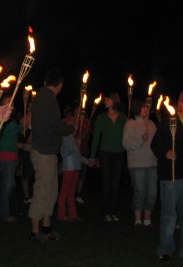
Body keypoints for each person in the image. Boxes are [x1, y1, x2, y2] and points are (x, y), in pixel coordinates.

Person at [151, 88, 183, 262]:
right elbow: (155, 145)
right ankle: (165, 250)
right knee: (169, 216)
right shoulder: (168, 122)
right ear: (182, 104)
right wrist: (166, 153)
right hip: (170, 177)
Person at [28, 68, 74, 243]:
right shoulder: (48, 100)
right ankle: (35, 231)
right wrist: (71, 128)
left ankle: (46, 227)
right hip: (44, 152)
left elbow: (49, 124)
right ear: (60, 85)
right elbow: (55, 126)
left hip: (47, 151)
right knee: (43, 190)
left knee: (51, 190)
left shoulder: (41, 98)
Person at [89, 91, 128, 222]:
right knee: (106, 182)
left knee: (115, 183)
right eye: (105, 99)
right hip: (105, 153)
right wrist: (92, 156)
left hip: (119, 153)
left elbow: (128, 135)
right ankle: (106, 211)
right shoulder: (101, 117)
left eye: (107, 99)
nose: (105, 101)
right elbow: (96, 138)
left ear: (114, 100)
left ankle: (113, 210)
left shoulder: (123, 117)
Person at [122, 97, 157, 228]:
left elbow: (157, 143)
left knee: (152, 192)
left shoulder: (151, 124)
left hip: (152, 163)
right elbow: (126, 143)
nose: (146, 109)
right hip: (137, 164)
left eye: (146, 107)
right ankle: (138, 219)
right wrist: (141, 140)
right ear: (137, 108)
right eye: (143, 107)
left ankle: (147, 219)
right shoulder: (130, 124)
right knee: (140, 191)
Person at [0, 94, 24, 222]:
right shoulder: (3, 118)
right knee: (8, 184)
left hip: (10, 154)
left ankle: (9, 209)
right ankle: (4, 212)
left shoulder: (10, 118)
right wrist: (21, 126)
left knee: (9, 184)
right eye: (9, 102)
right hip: (5, 155)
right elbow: (7, 133)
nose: (12, 104)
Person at [58, 128, 89, 222]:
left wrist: (88, 161)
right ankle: (62, 215)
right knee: (64, 192)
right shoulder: (65, 137)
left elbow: (77, 156)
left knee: (71, 192)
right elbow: (64, 153)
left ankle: (72, 214)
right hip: (69, 168)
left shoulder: (74, 137)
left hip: (75, 168)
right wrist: (76, 144)